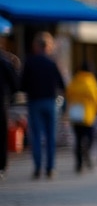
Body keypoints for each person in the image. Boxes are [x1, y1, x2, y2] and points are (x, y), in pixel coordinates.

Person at [19, 33, 65, 179]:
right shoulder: (52, 63)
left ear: (36, 46)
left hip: (34, 102)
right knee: (51, 136)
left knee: (36, 136)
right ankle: (50, 168)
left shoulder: (30, 62)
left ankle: (38, 167)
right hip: (50, 102)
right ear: (49, 46)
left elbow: (22, 85)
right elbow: (62, 84)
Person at [65, 61, 97, 174]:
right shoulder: (90, 81)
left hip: (76, 114)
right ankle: (87, 150)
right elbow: (96, 97)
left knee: (78, 139)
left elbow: (68, 94)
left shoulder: (75, 80)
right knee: (90, 137)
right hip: (88, 115)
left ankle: (79, 164)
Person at [0, 44, 18, 180]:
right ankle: (2, 165)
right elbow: (15, 84)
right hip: (2, 101)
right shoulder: (5, 61)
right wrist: (10, 97)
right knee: (2, 134)